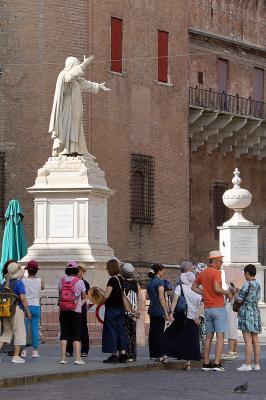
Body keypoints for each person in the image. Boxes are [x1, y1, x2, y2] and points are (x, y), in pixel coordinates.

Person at [49, 55, 110, 156]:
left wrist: (99, 86)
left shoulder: (76, 80)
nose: (78, 67)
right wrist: (84, 64)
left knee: (76, 129)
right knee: (66, 127)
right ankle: (65, 149)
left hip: (76, 109)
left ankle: (75, 149)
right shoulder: (63, 75)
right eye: (76, 65)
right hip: (67, 108)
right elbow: (70, 76)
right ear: (71, 65)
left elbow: (87, 85)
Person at [192, 250, 232, 371]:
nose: (221, 263)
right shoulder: (216, 272)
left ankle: (206, 363)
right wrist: (227, 292)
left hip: (208, 308)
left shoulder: (203, 273)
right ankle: (217, 363)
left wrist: (204, 293)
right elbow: (217, 288)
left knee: (209, 337)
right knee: (220, 336)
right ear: (215, 261)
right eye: (221, 261)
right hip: (218, 307)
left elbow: (193, 287)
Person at [164, 271, 202, 370]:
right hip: (194, 318)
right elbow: (202, 304)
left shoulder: (180, 287)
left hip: (182, 316)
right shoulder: (199, 290)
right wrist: (198, 316)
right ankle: (188, 363)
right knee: (189, 340)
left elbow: (175, 300)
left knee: (170, 334)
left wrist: (171, 312)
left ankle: (166, 356)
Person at [0, 262, 31, 363]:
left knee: (6, 333)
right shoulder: (18, 283)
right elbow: (22, 298)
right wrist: (27, 311)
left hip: (5, 311)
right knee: (20, 332)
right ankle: (16, 356)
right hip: (16, 310)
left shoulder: (4, 284)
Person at [97, 259, 127, 363]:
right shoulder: (121, 279)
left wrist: (99, 291)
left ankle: (114, 355)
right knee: (121, 331)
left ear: (110, 268)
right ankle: (123, 354)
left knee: (112, 332)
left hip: (112, 309)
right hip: (120, 309)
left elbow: (106, 296)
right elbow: (116, 294)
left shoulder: (112, 280)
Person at [58, 261, 86, 365]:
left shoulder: (61, 281)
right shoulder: (80, 282)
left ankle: (63, 358)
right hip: (75, 311)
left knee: (64, 333)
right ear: (76, 270)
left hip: (63, 311)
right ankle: (78, 358)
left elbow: (60, 297)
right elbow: (84, 297)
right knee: (76, 335)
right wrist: (79, 304)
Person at [235, 264, 262, 371]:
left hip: (246, 312)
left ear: (246, 273)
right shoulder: (258, 284)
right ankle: (256, 364)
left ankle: (247, 364)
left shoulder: (247, 284)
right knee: (255, 339)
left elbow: (239, 300)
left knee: (247, 340)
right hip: (255, 312)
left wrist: (235, 293)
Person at [146, 264, 171, 362]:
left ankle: (153, 354)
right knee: (159, 333)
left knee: (152, 332)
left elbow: (147, 297)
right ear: (159, 271)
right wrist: (166, 311)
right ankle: (160, 354)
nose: (163, 272)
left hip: (151, 308)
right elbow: (161, 297)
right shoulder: (160, 281)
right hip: (159, 309)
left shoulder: (150, 282)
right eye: (162, 270)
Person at [66, 263, 90, 357]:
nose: (78, 271)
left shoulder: (85, 283)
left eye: (80, 270)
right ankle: (69, 349)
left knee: (83, 329)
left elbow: (86, 296)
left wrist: (79, 305)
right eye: (77, 269)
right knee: (69, 329)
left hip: (81, 309)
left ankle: (84, 349)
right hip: (70, 308)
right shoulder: (69, 280)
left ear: (83, 272)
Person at [22, 260, 44, 358]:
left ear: (28, 270)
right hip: (36, 306)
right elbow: (42, 287)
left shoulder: (23, 280)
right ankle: (35, 351)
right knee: (35, 330)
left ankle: (23, 350)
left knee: (25, 329)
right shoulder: (40, 281)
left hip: (26, 306)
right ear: (36, 271)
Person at [121, 263, 141, 362]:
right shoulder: (136, 283)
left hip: (125, 310)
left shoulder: (122, 283)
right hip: (134, 311)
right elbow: (140, 297)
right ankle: (133, 355)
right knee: (133, 333)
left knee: (126, 333)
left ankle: (127, 354)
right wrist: (138, 310)